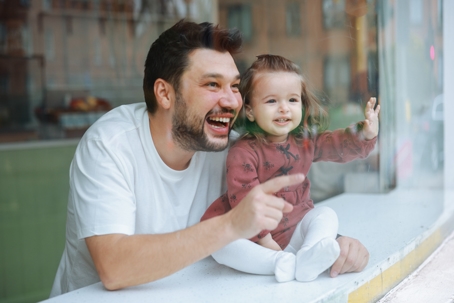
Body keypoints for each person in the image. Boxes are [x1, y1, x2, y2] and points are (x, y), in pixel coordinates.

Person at [50, 20, 371, 297]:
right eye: (212, 85)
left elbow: (282, 215)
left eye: (234, 86)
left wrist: (331, 242)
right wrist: (230, 226)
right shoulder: (110, 144)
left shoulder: (234, 147)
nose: (231, 100)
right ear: (164, 93)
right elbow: (114, 268)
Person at [201, 55, 380, 282]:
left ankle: (308, 255)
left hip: (294, 231)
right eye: (272, 101)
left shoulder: (304, 142)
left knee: (326, 214)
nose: (284, 109)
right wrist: (266, 242)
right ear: (250, 110)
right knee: (220, 243)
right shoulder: (244, 152)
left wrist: (364, 134)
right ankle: (282, 263)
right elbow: (245, 200)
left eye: (292, 100)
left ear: (302, 106)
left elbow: (335, 145)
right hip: (253, 240)